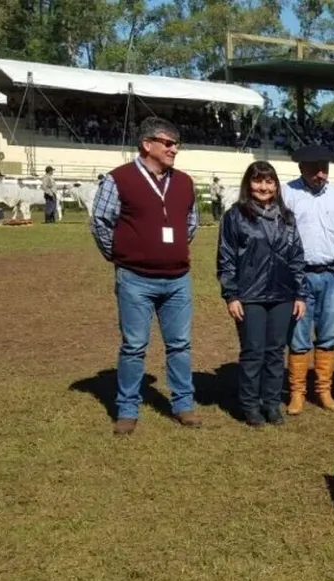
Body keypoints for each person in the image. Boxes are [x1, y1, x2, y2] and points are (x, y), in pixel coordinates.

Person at [90, 116, 201, 436]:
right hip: (135, 279)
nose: (174, 149)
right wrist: (121, 254)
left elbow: (190, 224)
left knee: (180, 344)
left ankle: (183, 404)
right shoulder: (118, 179)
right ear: (146, 144)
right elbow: (101, 222)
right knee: (134, 346)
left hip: (177, 279)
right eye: (168, 143)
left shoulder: (184, 182)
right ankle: (127, 409)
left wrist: (173, 248)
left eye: (176, 144)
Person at [217, 161, 306, 427]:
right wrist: (231, 295)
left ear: (276, 186)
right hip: (250, 295)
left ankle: (271, 403)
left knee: (275, 352)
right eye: (257, 181)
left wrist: (300, 294)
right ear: (248, 184)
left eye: (269, 182)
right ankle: (250, 405)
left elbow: (296, 256)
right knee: (253, 351)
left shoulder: (287, 218)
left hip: (282, 294)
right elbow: (226, 258)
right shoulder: (235, 216)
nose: (263, 187)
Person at [281, 144, 334, 415]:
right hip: (298, 276)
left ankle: (324, 390)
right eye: (314, 169)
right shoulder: (287, 194)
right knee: (298, 334)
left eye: (324, 168)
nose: (320, 174)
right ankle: (297, 393)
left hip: (331, 273)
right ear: (301, 168)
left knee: (329, 333)